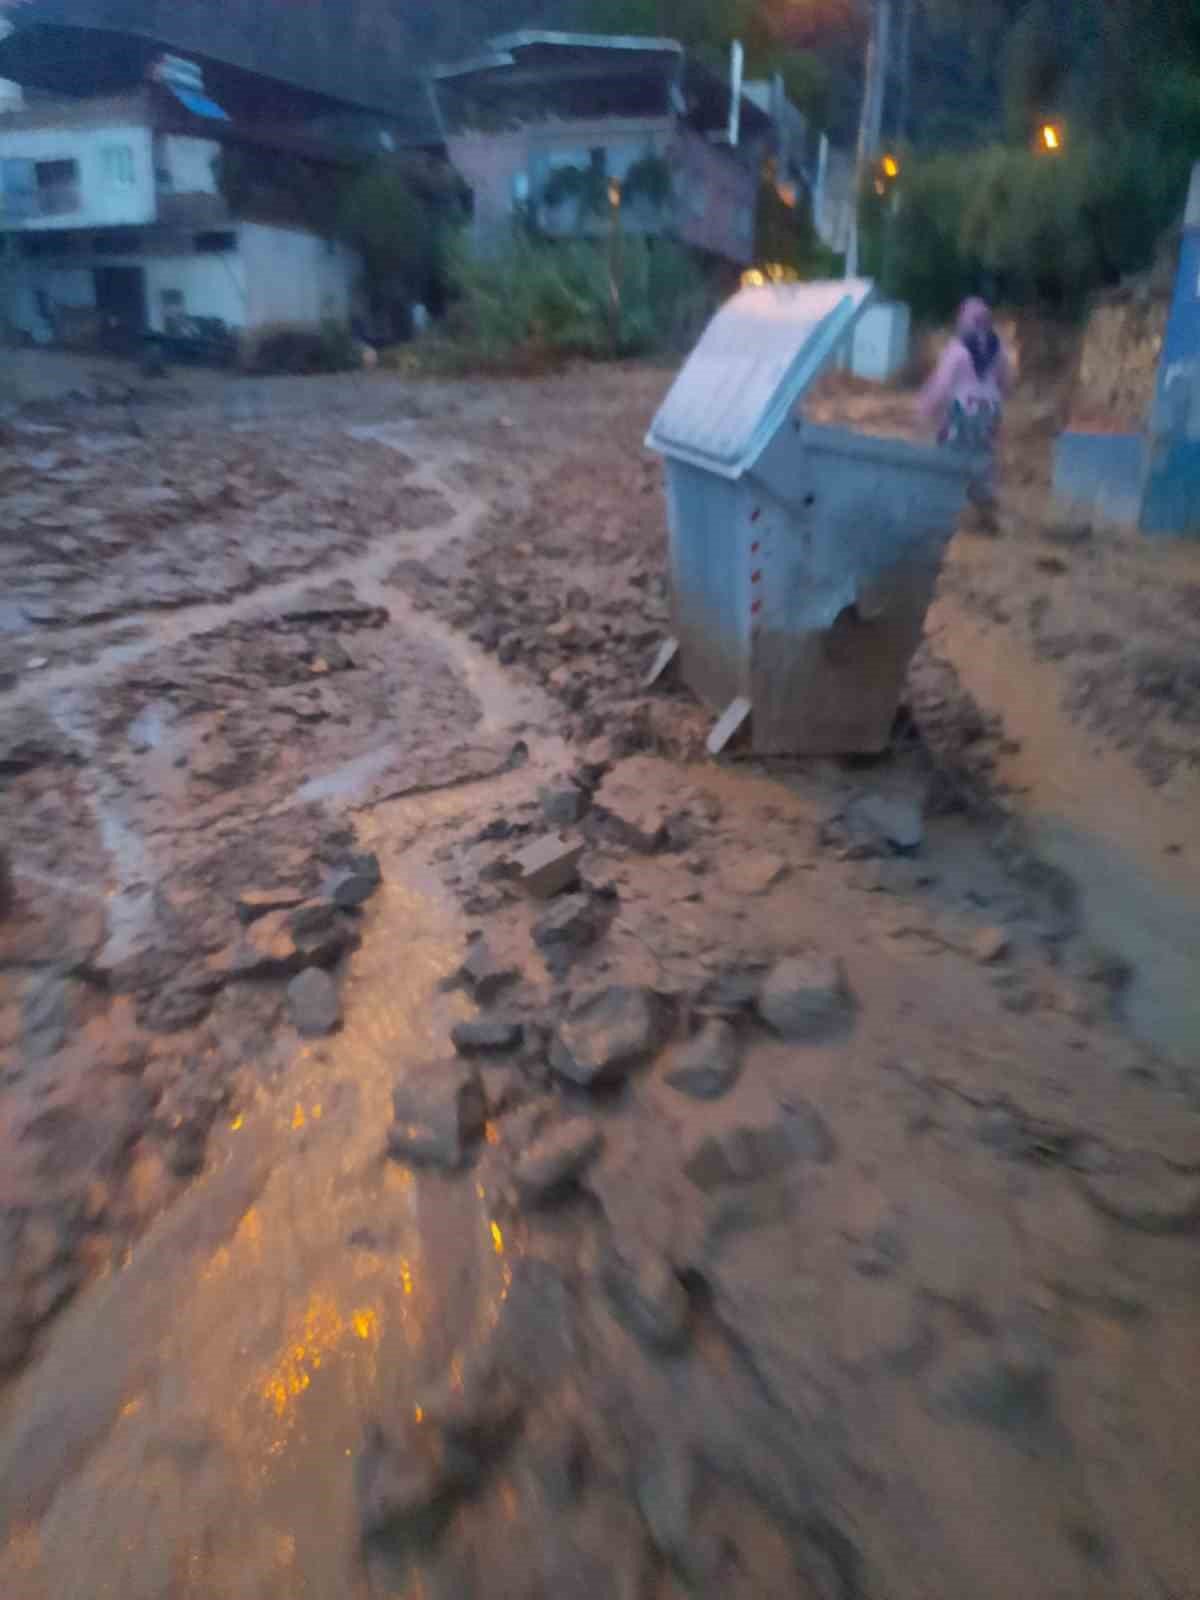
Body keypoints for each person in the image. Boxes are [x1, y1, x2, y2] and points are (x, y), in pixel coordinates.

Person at [919, 297, 1014, 530]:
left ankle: (943, 512)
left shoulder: (958, 349)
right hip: (989, 410)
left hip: (962, 410)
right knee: (982, 457)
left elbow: (941, 385)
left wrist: (926, 409)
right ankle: (984, 512)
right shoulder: (997, 349)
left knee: (950, 457)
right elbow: (1007, 382)